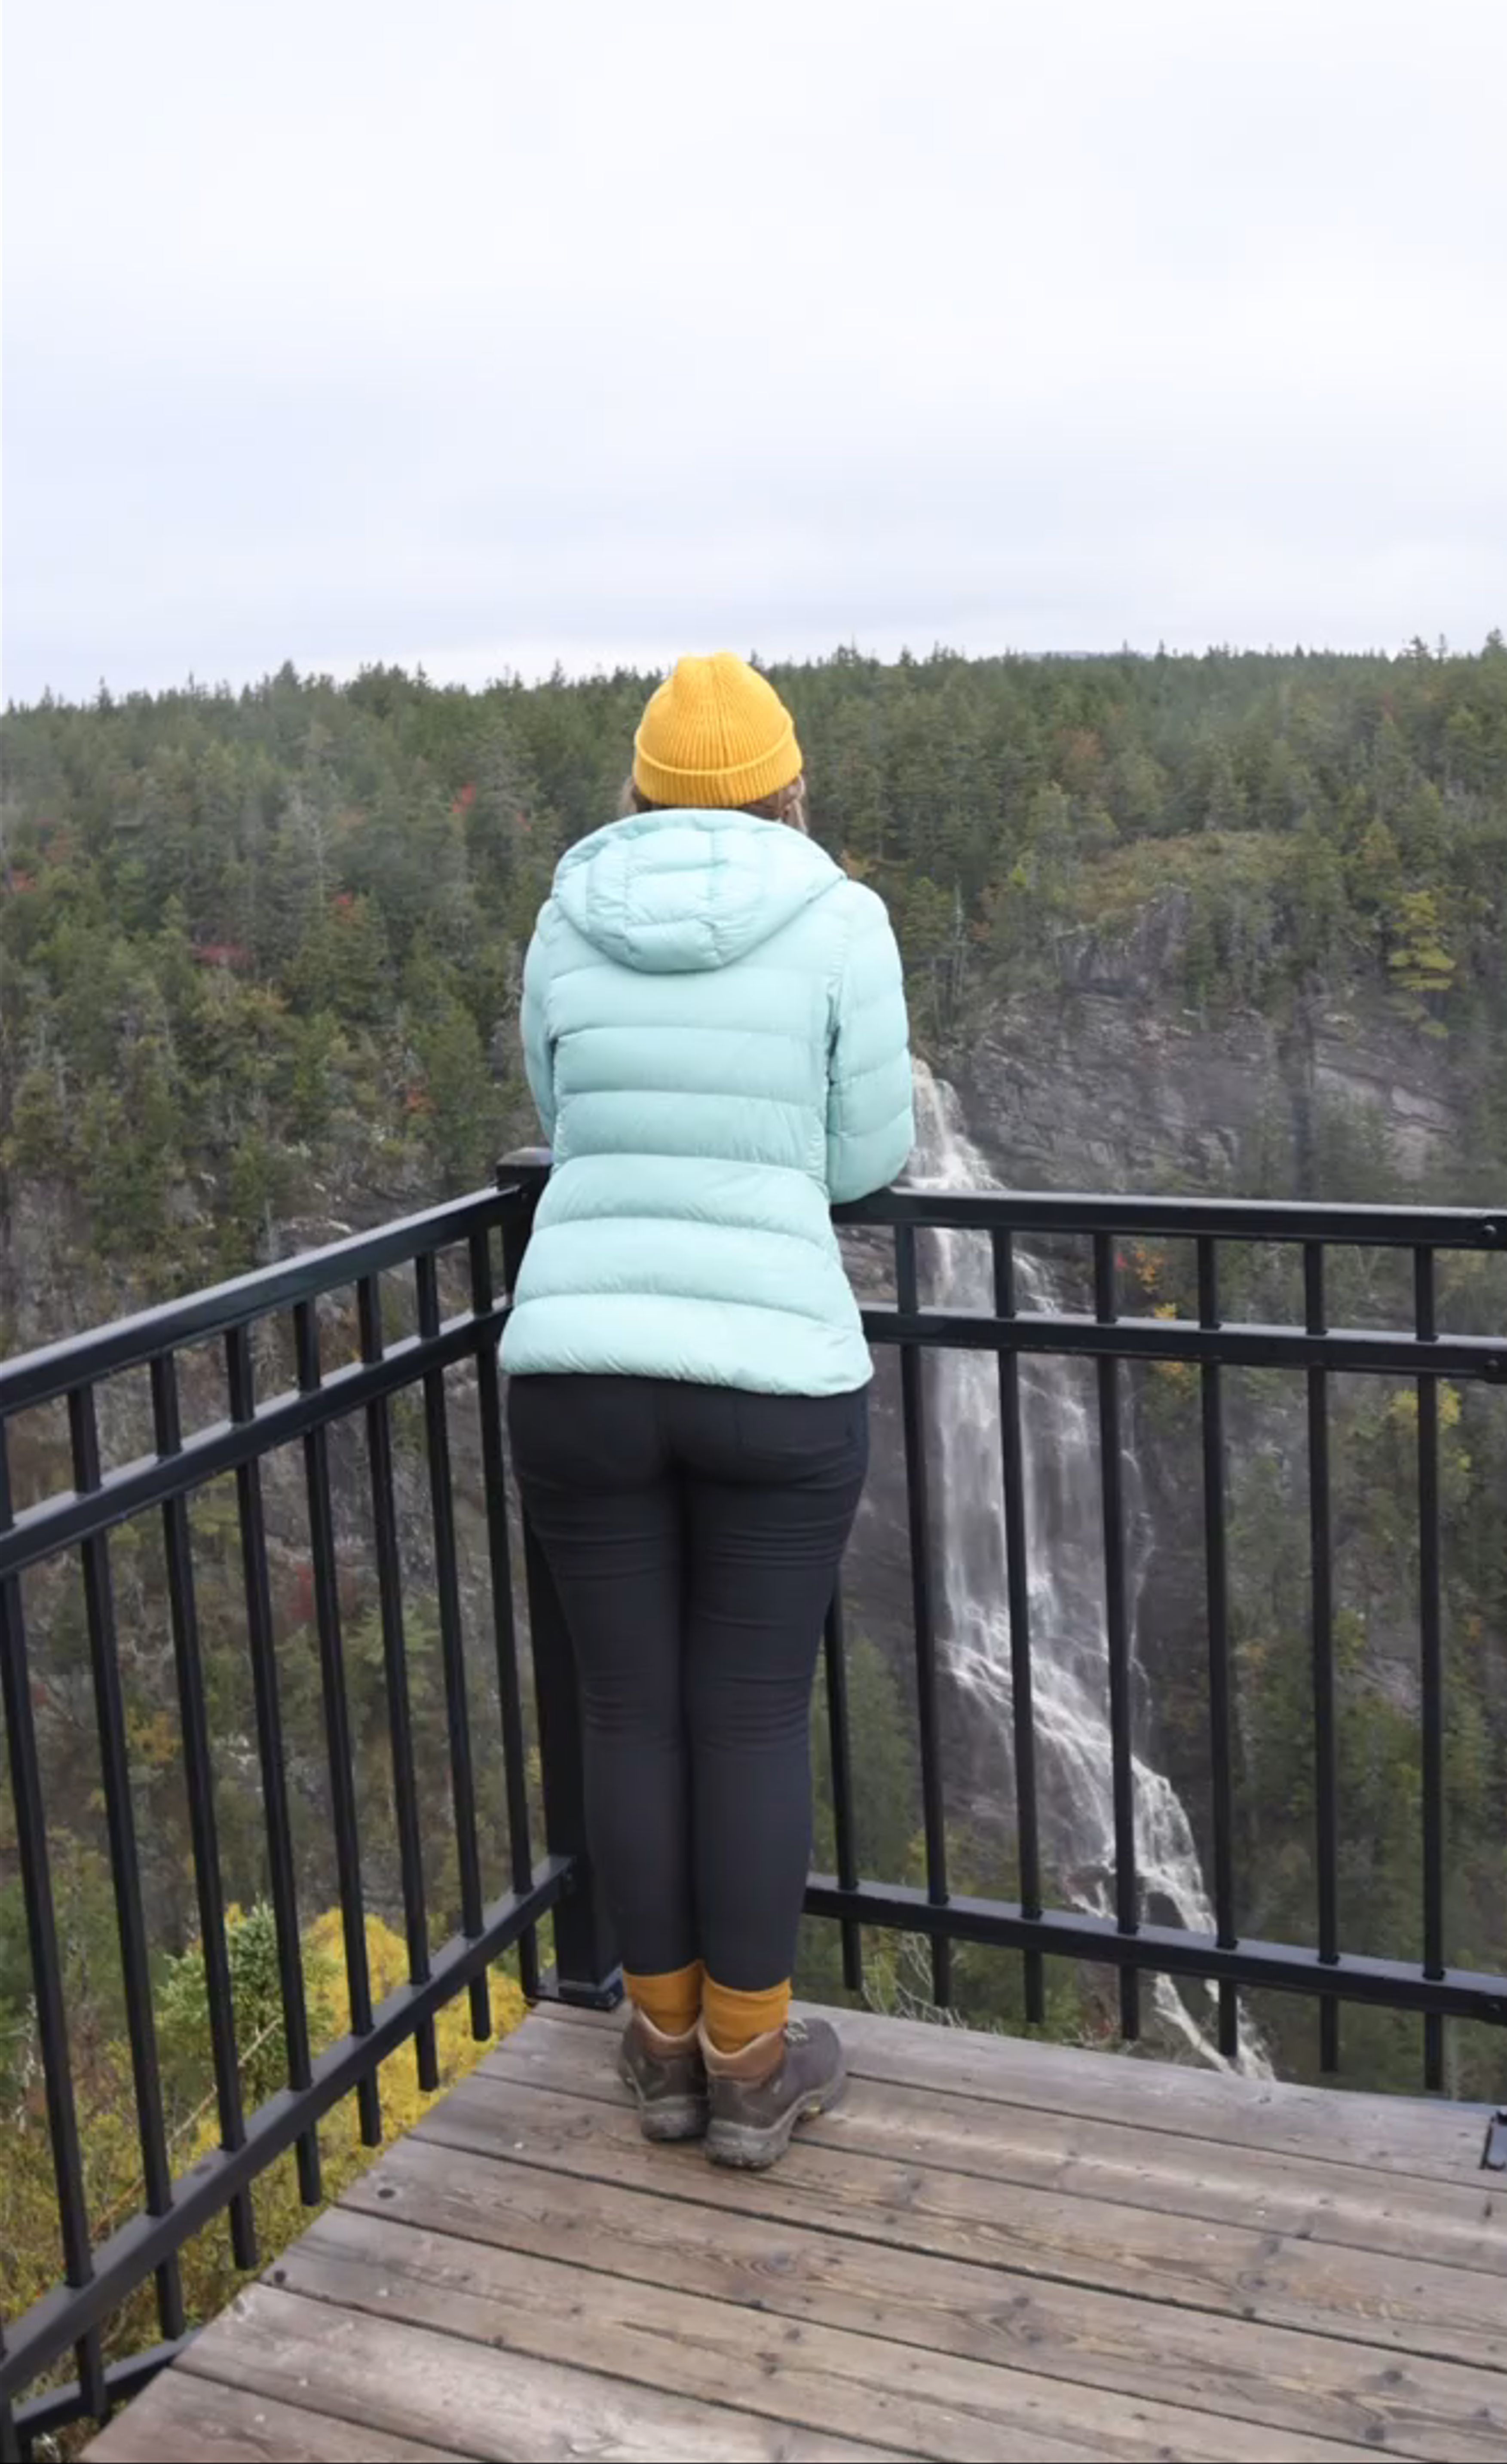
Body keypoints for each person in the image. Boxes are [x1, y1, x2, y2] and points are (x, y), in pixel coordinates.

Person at [502, 652, 913, 2170]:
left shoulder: (567, 914)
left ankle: (660, 2045)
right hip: (771, 1380)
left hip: (578, 1366)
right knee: (746, 1716)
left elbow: (563, 1115)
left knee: (627, 1710)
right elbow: (865, 1155)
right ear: (788, 785)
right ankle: (750, 2064)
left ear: (643, 787)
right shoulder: (841, 918)